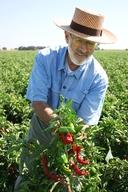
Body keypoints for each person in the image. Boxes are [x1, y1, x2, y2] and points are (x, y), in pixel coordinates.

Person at [14, 7, 117, 191]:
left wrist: (69, 135)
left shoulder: (99, 78)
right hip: (41, 130)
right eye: (79, 40)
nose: (84, 48)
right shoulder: (45, 58)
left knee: (66, 183)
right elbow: (38, 103)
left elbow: (85, 122)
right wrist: (60, 125)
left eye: (91, 43)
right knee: (27, 177)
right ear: (67, 37)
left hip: (72, 139)